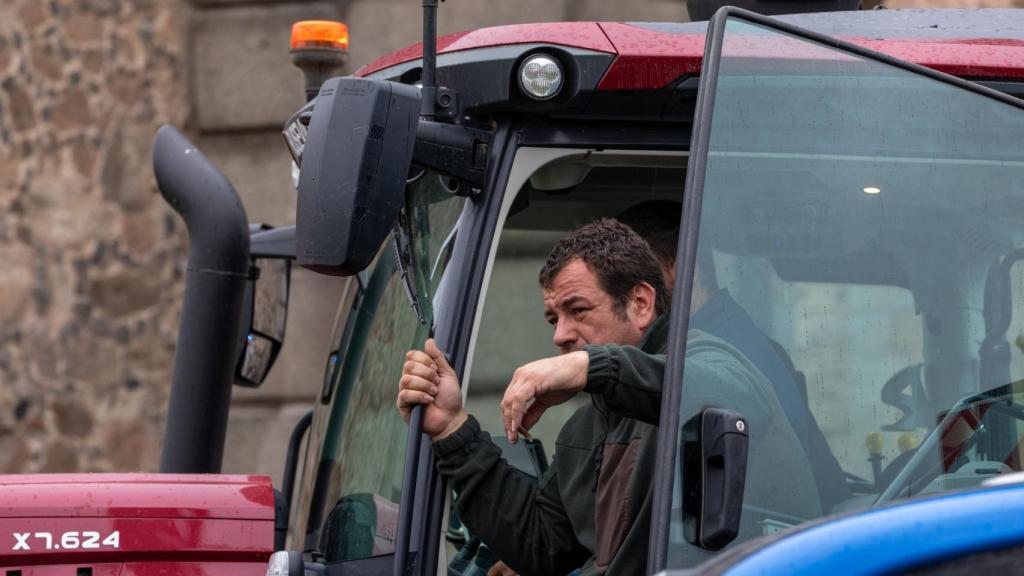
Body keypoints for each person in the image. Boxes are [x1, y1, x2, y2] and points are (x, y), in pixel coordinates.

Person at [397, 219, 817, 576]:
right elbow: (543, 545)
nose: (559, 335)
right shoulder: (587, 426)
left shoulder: (707, 357)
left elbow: (720, 398)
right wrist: (451, 428)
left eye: (577, 311)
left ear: (639, 303)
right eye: (553, 318)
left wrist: (589, 366)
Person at [616, 201, 850, 511]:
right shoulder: (741, 341)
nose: (629, 300)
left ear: (683, 268)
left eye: (633, 283)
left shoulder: (718, 356)